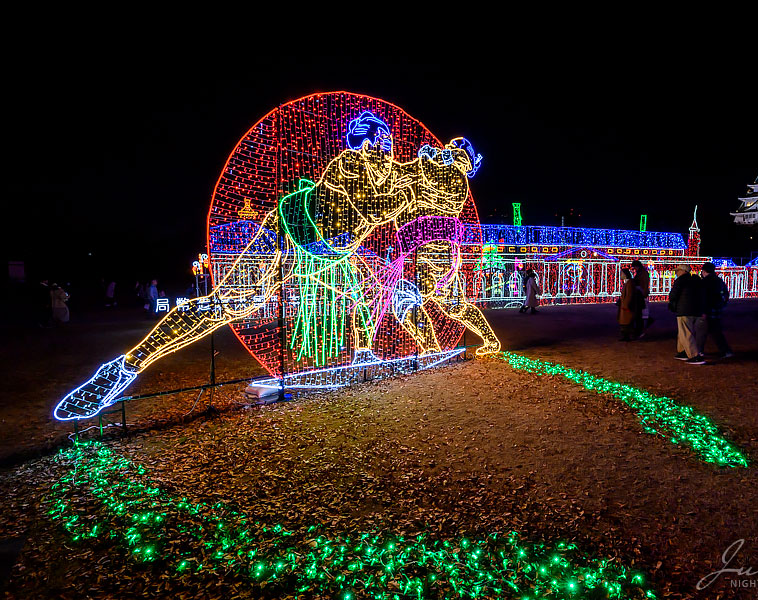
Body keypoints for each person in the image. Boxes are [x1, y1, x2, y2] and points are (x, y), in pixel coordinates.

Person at [53, 111, 501, 420]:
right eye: (378, 141)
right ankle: (123, 368)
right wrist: (419, 178)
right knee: (227, 305)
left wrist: (439, 172)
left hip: (328, 252)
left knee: (370, 288)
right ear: (362, 141)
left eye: (387, 143)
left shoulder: (404, 173)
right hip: (287, 233)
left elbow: (443, 196)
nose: (386, 147)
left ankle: (365, 350)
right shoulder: (352, 166)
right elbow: (379, 199)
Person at [667, 264, 705, 365]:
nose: (676, 272)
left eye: (678, 270)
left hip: (684, 309)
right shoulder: (696, 280)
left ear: (683, 271)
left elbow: (673, 294)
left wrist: (672, 303)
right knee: (685, 332)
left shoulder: (680, 280)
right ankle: (683, 351)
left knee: (685, 333)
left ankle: (694, 355)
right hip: (696, 310)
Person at [696, 262, 733, 358]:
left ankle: (699, 351)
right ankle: (725, 351)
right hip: (717, 309)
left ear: (704, 271)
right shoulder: (719, 280)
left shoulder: (705, 282)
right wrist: (722, 305)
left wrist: (703, 311)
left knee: (702, 331)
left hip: (708, 310)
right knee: (716, 331)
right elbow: (726, 294)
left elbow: (703, 298)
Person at [617, 268, 640, 341]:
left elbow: (629, 295)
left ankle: (628, 336)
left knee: (627, 321)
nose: (620, 275)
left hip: (626, 307)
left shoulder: (629, 283)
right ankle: (626, 335)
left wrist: (626, 305)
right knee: (626, 322)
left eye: (621, 274)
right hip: (625, 306)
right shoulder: (627, 282)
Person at [631, 259, 653, 337]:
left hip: (641, 294)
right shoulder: (641, 273)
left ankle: (640, 329)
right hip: (641, 294)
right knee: (640, 313)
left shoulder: (642, 273)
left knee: (640, 313)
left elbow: (644, 284)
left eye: (635, 267)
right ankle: (640, 328)